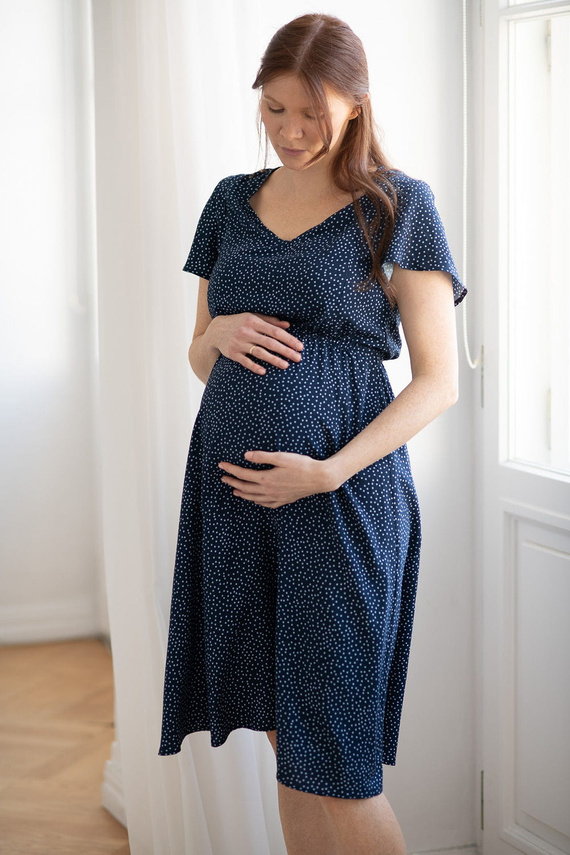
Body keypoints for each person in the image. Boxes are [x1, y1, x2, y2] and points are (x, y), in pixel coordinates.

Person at [158, 12, 467, 855]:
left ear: (357, 105)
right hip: (233, 506)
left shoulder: (398, 207)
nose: (290, 132)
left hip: (341, 503)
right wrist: (214, 336)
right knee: (286, 747)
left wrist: (328, 472)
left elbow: (441, 381)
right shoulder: (230, 200)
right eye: (274, 110)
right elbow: (198, 353)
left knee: (334, 758)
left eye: (312, 113)